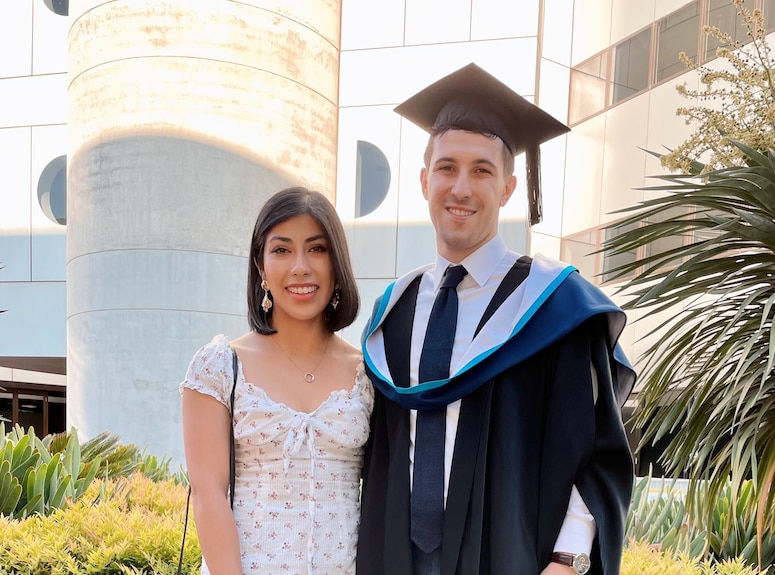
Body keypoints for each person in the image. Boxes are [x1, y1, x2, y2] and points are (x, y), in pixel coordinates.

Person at [357, 63, 636, 575]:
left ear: (508, 186)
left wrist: (567, 557)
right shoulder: (393, 311)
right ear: (424, 181)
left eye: (481, 170)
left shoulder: (555, 307)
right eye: (447, 168)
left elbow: (598, 444)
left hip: (515, 554)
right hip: (397, 556)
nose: (461, 187)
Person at [180, 186, 372, 575]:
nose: (300, 266)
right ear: (260, 265)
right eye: (282, 250)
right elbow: (208, 494)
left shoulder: (368, 372)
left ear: (337, 262)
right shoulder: (219, 366)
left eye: (317, 249)